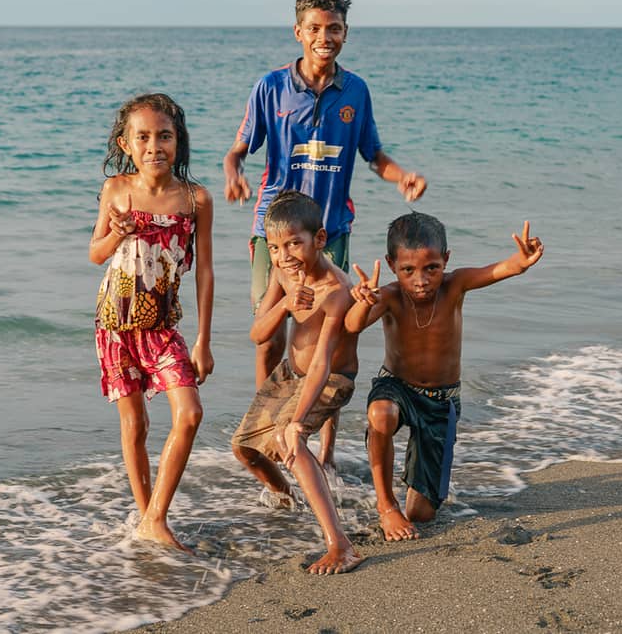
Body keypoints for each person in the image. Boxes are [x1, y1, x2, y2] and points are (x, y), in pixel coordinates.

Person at [222, 0, 427, 468]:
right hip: (274, 233)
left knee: (332, 338)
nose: (324, 36)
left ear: (345, 34)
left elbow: (373, 155)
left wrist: (402, 177)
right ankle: (267, 426)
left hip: (331, 230)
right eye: (314, 28)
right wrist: (233, 170)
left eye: (333, 28)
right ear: (298, 32)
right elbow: (238, 148)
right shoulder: (270, 87)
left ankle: (326, 449)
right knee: (270, 330)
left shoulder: (355, 91)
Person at [345, 213, 544, 541]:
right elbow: (352, 326)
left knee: (422, 515)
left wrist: (520, 263)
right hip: (396, 387)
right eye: (408, 270)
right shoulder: (390, 295)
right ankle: (385, 505)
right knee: (381, 413)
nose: (420, 280)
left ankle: (414, 484)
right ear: (393, 265)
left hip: (441, 400)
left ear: (446, 260)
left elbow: (498, 270)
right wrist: (363, 302)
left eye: (431, 268)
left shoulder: (456, 285)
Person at [89, 93, 214, 552]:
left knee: (191, 413)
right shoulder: (116, 191)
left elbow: (204, 270)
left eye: (164, 135)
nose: (153, 146)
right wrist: (117, 233)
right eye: (142, 137)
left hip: (163, 327)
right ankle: (148, 520)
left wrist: (203, 339)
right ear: (125, 143)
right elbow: (94, 253)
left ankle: (156, 516)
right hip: (114, 323)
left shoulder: (195, 198)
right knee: (136, 425)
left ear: (178, 141)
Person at [231, 190, 363, 575]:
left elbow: (323, 362)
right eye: (274, 247)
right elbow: (258, 334)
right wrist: (285, 305)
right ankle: (289, 500)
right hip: (291, 373)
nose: (284, 256)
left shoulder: (337, 291)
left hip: (331, 378)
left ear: (319, 240)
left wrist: (296, 421)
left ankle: (341, 545)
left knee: (291, 440)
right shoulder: (281, 275)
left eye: (294, 244)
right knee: (244, 449)